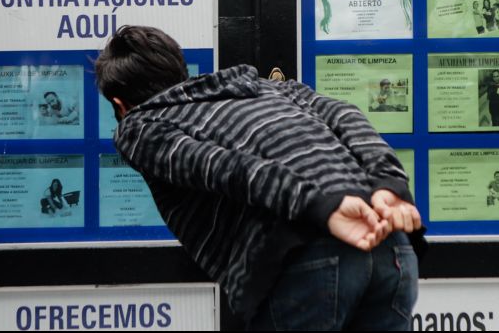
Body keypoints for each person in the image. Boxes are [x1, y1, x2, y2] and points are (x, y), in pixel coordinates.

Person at [95, 26, 426, 331]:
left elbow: (224, 167)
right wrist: (390, 184)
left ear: (120, 105)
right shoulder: (265, 87)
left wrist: (321, 207)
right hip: (389, 243)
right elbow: (347, 115)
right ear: (178, 69)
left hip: (305, 252)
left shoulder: (140, 125)